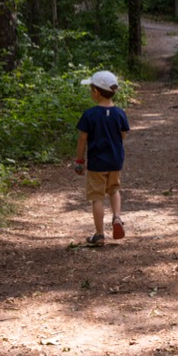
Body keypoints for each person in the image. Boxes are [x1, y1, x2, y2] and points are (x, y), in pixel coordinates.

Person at [73, 70, 129, 246]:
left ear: (96, 92)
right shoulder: (120, 113)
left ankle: (99, 234)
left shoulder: (90, 114)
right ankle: (117, 218)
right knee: (114, 190)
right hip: (115, 161)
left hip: (97, 163)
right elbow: (123, 135)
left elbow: (82, 139)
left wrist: (80, 161)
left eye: (91, 89)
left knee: (97, 197)